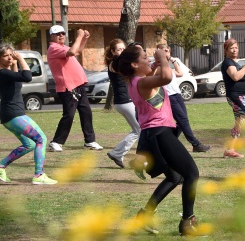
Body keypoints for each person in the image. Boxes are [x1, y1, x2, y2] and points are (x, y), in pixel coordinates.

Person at [112, 46, 201, 236]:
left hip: (154, 134)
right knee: (192, 173)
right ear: (135, 64)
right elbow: (167, 77)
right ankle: (188, 222)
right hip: (160, 134)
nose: (149, 59)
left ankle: (145, 215)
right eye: (145, 57)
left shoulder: (136, 80)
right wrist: (162, 56)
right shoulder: (142, 83)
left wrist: (155, 63)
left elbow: (152, 72)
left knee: (175, 177)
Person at [0, 43, 57, 185]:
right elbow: (27, 76)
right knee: (41, 139)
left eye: (10, 54)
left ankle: (1, 166)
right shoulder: (2, 73)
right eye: (5, 55)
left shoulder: (7, 74)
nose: (9, 57)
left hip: (9, 116)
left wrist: (14, 63)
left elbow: (18, 78)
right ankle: (39, 175)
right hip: (15, 114)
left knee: (29, 144)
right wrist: (20, 58)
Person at [47, 25, 103, 152]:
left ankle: (90, 141)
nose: (61, 35)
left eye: (63, 33)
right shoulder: (53, 48)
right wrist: (78, 36)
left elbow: (77, 51)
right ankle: (56, 142)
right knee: (69, 115)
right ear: (52, 36)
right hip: (68, 87)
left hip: (78, 85)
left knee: (86, 112)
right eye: (58, 34)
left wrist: (83, 39)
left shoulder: (62, 47)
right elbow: (72, 52)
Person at [155, 44, 211, 152]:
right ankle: (195, 144)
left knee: (183, 120)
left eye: (168, 50)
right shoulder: (159, 67)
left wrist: (173, 60)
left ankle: (168, 142)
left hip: (177, 94)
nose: (167, 51)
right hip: (169, 97)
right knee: (183, 120)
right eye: (164, 50)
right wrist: (163, 58)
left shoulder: (168, 66)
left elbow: (180, 73)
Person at [104, 39, 141, 168]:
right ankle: (118, 153)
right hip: (125, 101)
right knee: (139, 130)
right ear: (113, 51)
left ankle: (117, 154)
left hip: (124, 101)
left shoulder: (120, 62)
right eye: (119, 49)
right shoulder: (114, 64)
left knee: (137, 129)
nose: (121, 51)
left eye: (123, 49)